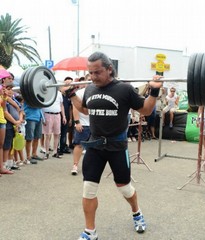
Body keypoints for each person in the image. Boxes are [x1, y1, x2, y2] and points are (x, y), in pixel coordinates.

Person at [63, 52, 163, 240]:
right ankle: (90, 232)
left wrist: (154, 91)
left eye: (97, 72)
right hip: (94, 146)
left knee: (124, 187)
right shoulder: (91, 88)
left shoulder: (124, 89)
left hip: (117, 147)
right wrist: (71, 94)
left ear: (110, 69)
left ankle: (136, 212)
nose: (93, 77)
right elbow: (85, 108)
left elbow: (146, 110)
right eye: (90, 73)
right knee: (88, 189)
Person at [70, 82, 90, 175]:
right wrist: (77, 122)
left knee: (94, 147)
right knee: (79, 145)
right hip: (83, 124)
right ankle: (75, 165)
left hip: (96, 124)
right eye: (88, 81)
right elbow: (75, 107)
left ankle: (91, 167)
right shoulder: (80, 93)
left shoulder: (100, 92)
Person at [42, 90, 67, 159]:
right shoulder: (45, 92)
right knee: (48, 134)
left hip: (57, 114)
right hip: (47, 114)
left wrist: (63, 116)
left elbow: (61, 105)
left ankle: (55, 151)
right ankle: (46, 152)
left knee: (57, 134)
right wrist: (42, 117)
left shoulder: (59, 93)